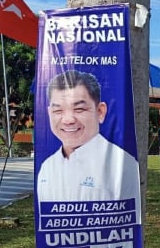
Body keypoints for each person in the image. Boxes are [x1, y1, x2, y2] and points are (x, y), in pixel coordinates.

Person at [36, 70, 140, 213]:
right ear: (49, 113)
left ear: (100, 112)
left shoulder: (122, 164)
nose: (68, 120)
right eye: (58, 111)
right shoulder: (47, 167)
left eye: (79, 109)